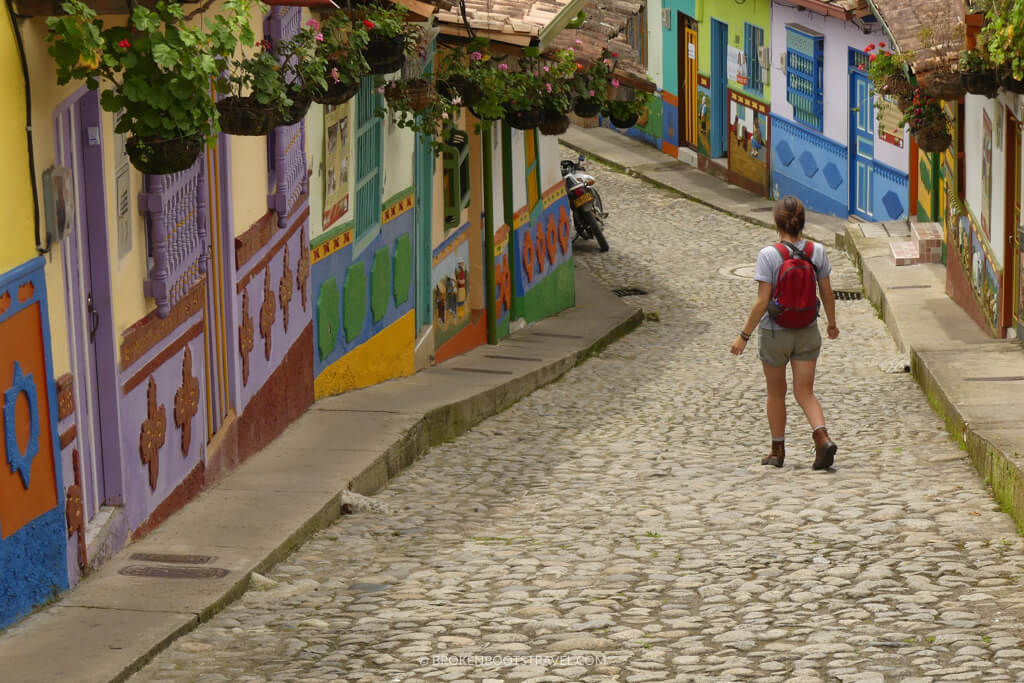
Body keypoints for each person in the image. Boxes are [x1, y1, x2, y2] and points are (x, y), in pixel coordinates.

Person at [730, 196, 840, 470]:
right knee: (806, 392)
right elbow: (827, 293)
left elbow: (762, 302)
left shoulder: (769, 255)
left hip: (774, 333)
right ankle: (822, 436)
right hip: (806, 329)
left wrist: (743, 336)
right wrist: (832, 323)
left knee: (776, 392)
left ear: (776, 222)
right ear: (802, 222)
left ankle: (777, 451)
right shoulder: (818, 252)